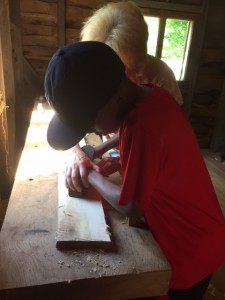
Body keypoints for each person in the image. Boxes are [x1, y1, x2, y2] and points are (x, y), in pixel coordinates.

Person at [45, 41, 225, 300]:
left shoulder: (143, 126)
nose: (94, 130)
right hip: (205, 230)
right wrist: (101, 148)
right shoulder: (151, 95)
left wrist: (90, 172)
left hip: (191, 247)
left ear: (117, 93)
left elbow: (131, 206)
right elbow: (135, 135)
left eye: (92, 121)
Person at [64, 1, 183, 193]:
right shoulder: (87, 70)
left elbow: (165, 140)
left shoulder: (161, 78)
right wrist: (75, 152)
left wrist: (119, 159)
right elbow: (67, 115)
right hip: (116, 147)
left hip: (142, 160)